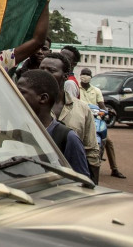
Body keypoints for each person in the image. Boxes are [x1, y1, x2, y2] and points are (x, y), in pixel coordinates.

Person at [17, 69, 90, 177]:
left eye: (21, 92)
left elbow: (81, 182)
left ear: (43, 98)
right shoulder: (18, 130)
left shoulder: (67, 138)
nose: (16, 96)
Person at [40, 52, 100, 183]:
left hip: (72, 181)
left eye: (51, 70)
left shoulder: (82, 109)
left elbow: (91, 150)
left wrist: (93, 184)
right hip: (38, 179)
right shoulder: (29, 107)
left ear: (65, 76)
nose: (44, 74)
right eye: (42, 69)